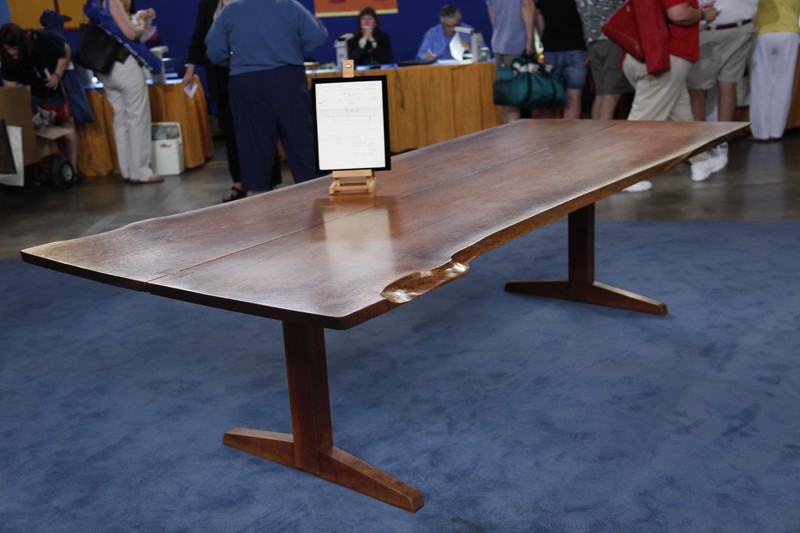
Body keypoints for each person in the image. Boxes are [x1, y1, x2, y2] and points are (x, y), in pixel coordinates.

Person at [205, 0, 328, 194]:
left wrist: (233, 58)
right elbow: (317, 38)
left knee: (252, 146)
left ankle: (258, 201)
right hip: (288, 80)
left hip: (246, 83)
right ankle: (315, 195)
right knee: (302, 143)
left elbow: (214, 51)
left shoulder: (230, 10)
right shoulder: (290, 5)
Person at [184, 0, 280, 202]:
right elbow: (199, 35)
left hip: (252, 70)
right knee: (231, 130)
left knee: (261, 127)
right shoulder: (208, 3)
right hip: (221, 76)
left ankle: (269, 180)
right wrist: (190, 69)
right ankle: (239, 181)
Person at [621, 0, 718, 192]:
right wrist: (702, 15)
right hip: (666, 55)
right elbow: (678, 13)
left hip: (641, 50)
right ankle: (625, 174)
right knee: (644, 120)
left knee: (681, 115)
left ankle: (700, 160)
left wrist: (692, 11)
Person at [685, 0, 758, 181]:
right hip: (743, 26)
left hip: (711, 29)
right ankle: (721, 142)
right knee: (728, 83)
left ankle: (700, 145)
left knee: (697, 86)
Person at [93, 0, 163, 184]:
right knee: (138, 118)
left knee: (121, 120)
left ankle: (127, 170)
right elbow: (131, 33)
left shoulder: (99, 3)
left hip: (106, 67)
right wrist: (141, 22)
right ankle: (141, 171)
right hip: (125, 66)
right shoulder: (113, 1)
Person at [0, 23, 79, 168]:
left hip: (52, 89)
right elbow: (9, 86)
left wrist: (57, 74)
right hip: (32, 94)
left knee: (67, 124)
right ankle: (42, 168)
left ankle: (73, 168)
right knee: (34, 129)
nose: (11, 52)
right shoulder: (7, 58)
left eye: (14, 48)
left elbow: (66, 50)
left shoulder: (42, 38)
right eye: (7, 49)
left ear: (22, 42)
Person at [748, 0, 800, 141]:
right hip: (790, 31)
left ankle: (761, 132)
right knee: (784, 83)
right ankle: (776, 131)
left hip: (763, 30)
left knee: (760, 83)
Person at [575, 0, 634, 119]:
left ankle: (596, 129)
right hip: (613, 38)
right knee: (611, 95)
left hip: (592, 39)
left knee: (601, 93)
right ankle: (604, 130)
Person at [534, 0, 588, 119]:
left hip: (551, 49)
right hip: (576, 48)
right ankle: (569, 130)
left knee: (548, 98)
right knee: (573, 98)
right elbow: (587, 17)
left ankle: (546, 131)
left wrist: (543, 40)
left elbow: (539, 17)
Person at [486, 0, 536, 123]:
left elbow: (490, 9)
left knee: (504, 96)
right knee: (515, 97)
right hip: (516, 43)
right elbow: (527, 4)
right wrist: (530, 38)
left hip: (498, 44)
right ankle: (514, 133)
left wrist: (499, 32)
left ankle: (506, 131)